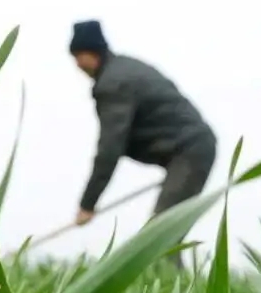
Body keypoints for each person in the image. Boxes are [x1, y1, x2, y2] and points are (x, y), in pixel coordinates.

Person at [69, 19, 216, 262]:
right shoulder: (123, 70)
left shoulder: (114, 83)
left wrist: (88, 204)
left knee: (160, 235)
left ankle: (170, 285)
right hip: (186, 152)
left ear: (91, 52)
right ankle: (171, 283)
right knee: (163, 234)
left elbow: (109, 148)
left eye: (77, 56)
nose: (76, 64)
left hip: (190, 151)